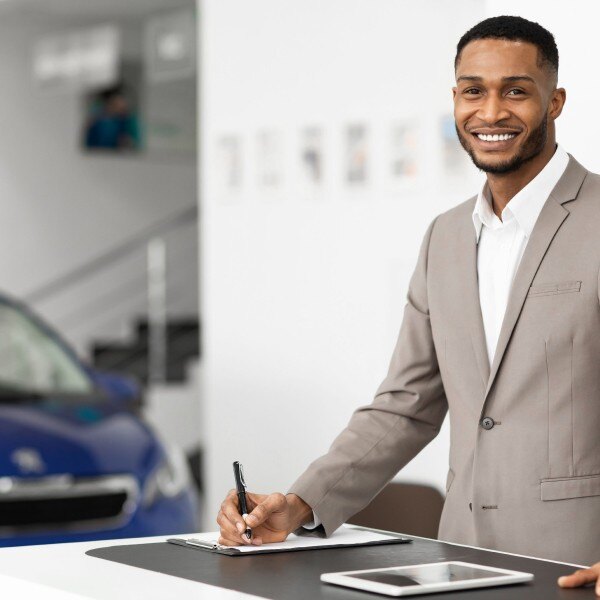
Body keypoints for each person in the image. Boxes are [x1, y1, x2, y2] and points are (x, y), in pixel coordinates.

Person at [217, 15, 600, 593]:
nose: (491, 112)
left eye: (515, 91)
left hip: (580, 567)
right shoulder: (444, 238)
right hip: (463, 562)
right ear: (455, 99)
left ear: (556, 101)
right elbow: (407, 404)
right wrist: (299, 504)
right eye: (474, 90)